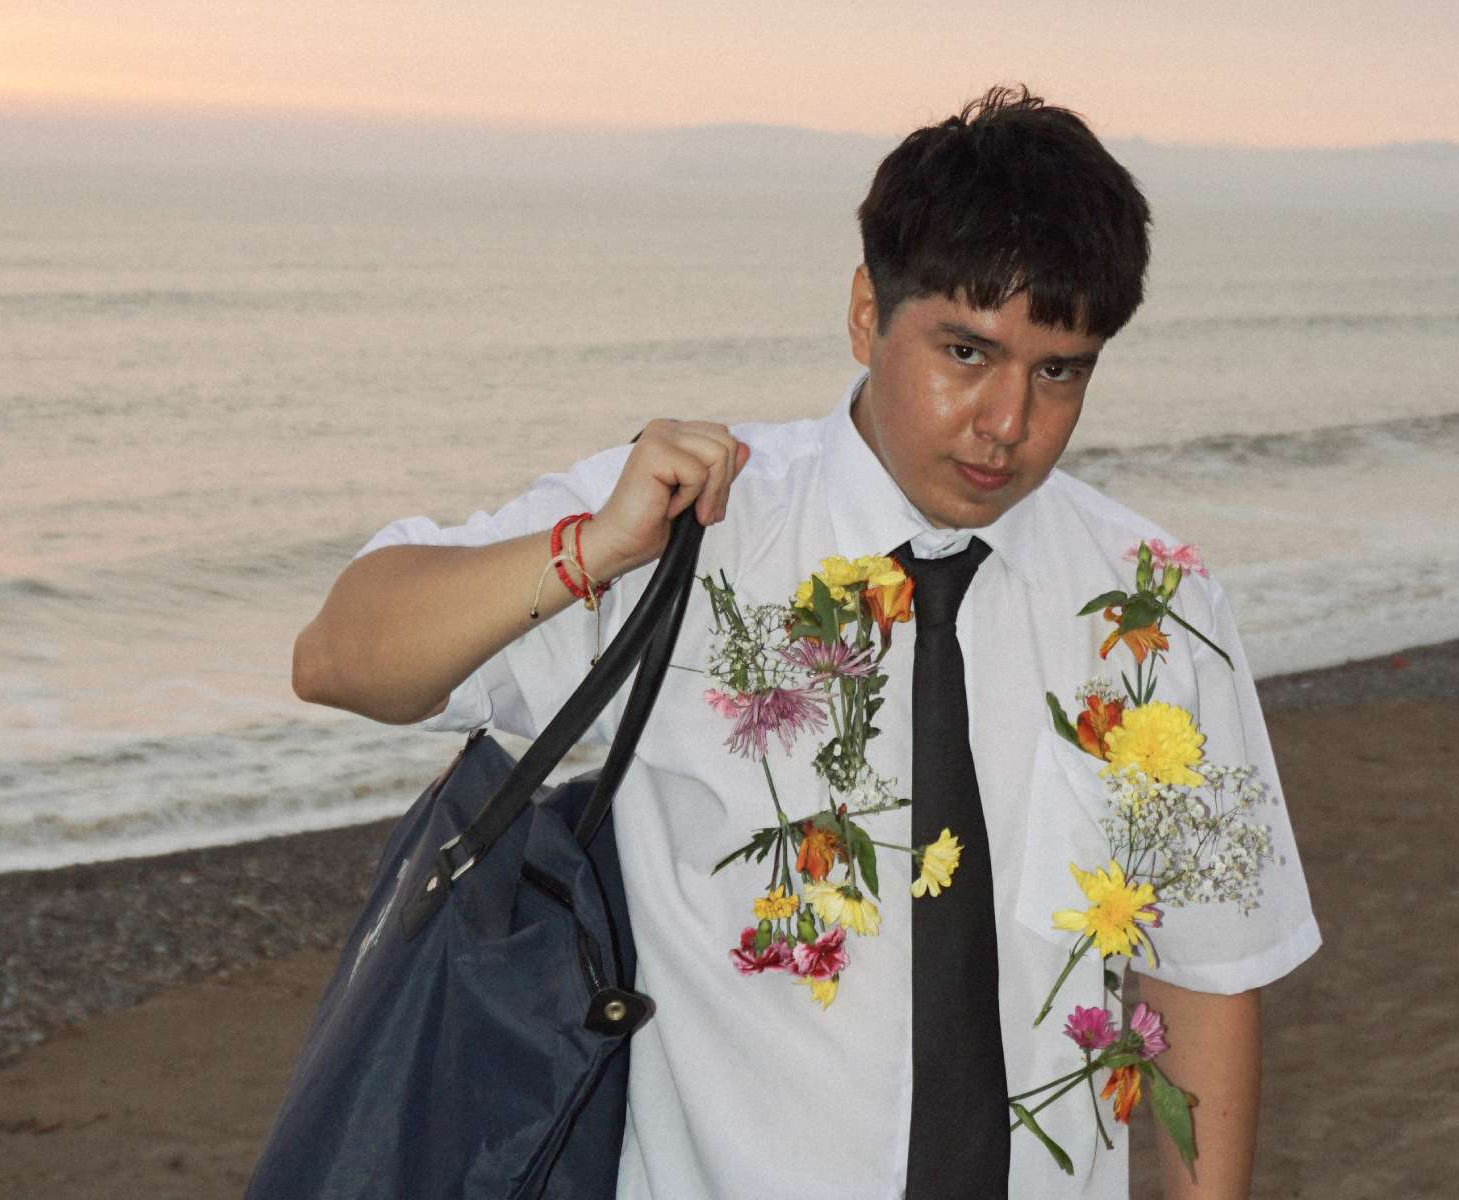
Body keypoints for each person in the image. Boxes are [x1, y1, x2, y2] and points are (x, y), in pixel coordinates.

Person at [293, 86, 1319, 1199]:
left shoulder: (1153, 606)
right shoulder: (698, 537)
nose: (1009, 422)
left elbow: (1206, 970)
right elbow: (343, 659)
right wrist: (588, 549)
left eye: (1058, 369)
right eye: (966, 352)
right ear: (865, 312)